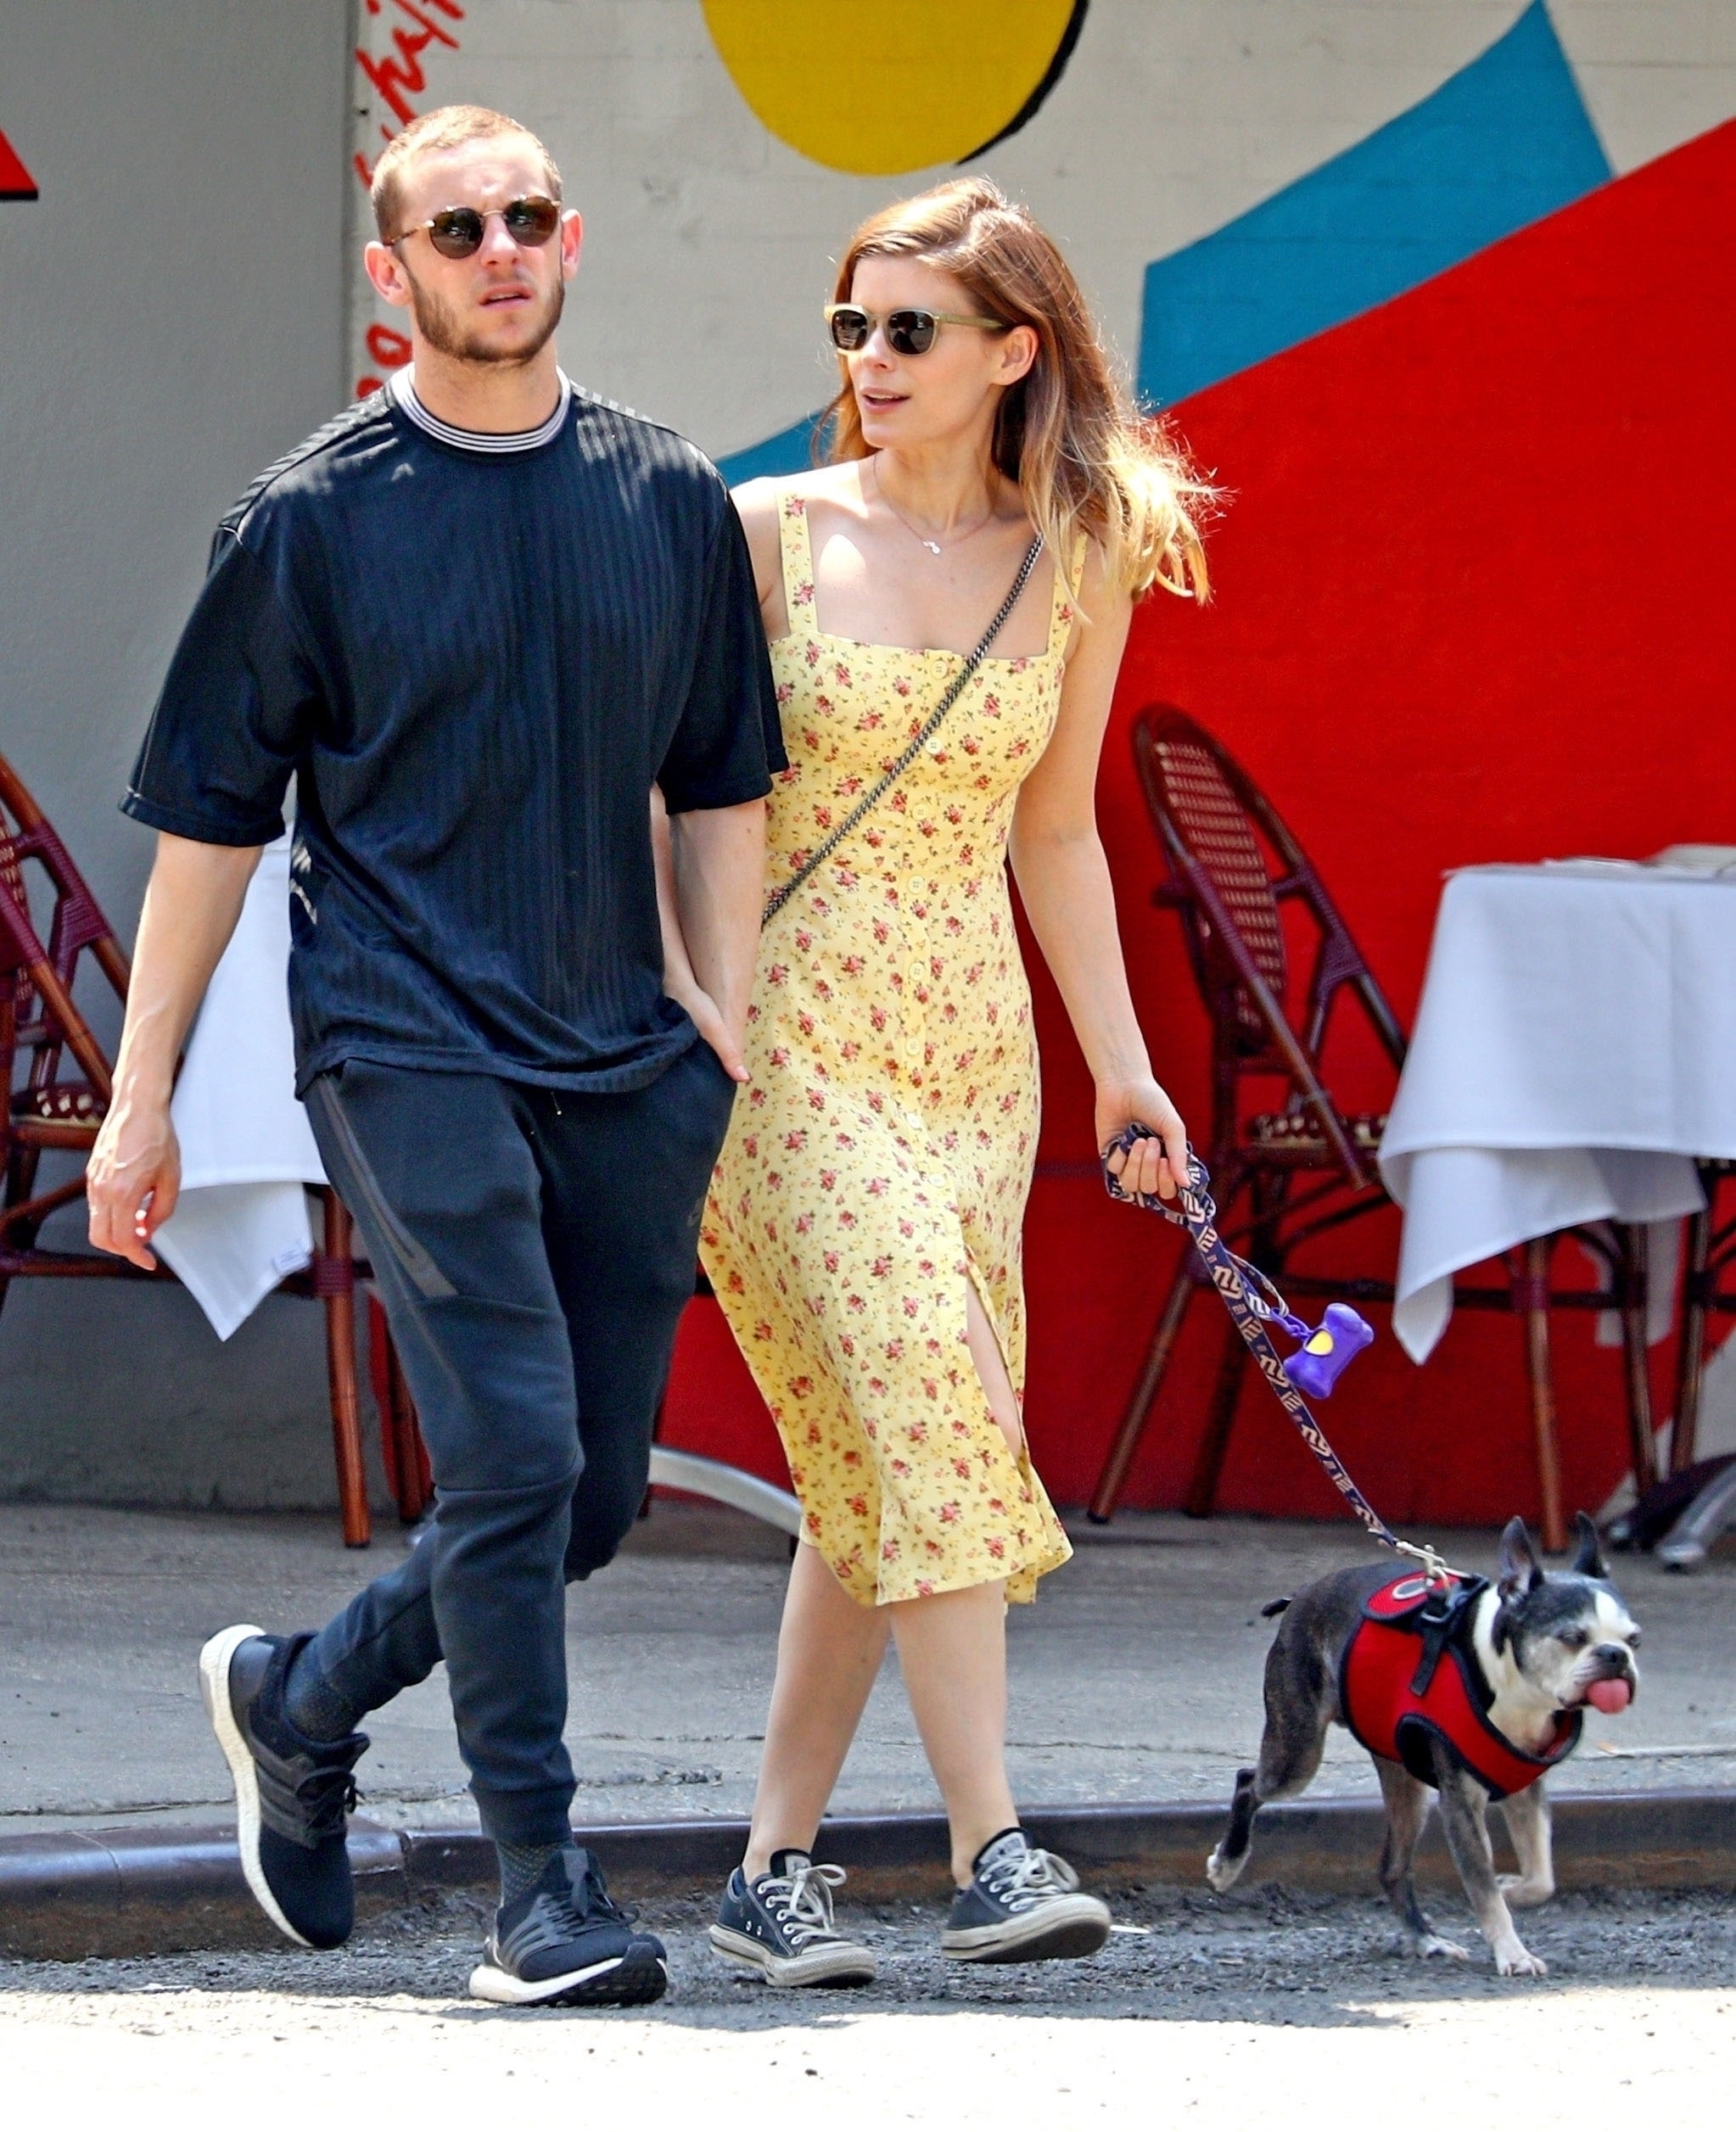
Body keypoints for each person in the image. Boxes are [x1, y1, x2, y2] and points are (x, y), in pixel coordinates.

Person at [87, 104, 781, 2008]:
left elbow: (722, 777)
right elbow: (208, 829)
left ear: (571, 242)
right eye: (456, 229)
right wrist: (141, 1102)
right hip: (403, 1038)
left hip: (626, 1051)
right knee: (515, 1452)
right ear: (393, 272)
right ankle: (539, 1890)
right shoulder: (309, 519)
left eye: (526, 218)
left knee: (583, 1501)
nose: (500, 250)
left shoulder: (668, 496)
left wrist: (718, 1014)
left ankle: (303, 1699)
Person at [664, 177, 1207, 1987]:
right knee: (934, 1398)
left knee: (877, 1455)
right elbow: (675, 794)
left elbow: (1058, 832)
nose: (871, 358)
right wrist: (694, 1002)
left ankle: (771, 1867)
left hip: (975, 1060)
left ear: (1012, 352)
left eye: (909, 328)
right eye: (853, 325)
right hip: (785, 1048)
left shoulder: (1076, 559)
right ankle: (992, 1844)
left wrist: (1124, 1072)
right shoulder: (762, 530)